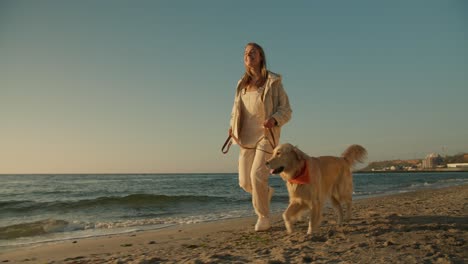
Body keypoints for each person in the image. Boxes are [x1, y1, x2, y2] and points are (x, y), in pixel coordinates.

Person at [228, 42, 292, 231]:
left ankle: (263, 217)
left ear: (261, 56)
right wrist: (231, 127)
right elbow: (235, 111)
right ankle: (266, 191)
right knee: (245, 182)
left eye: (253, 52)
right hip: (245, 138)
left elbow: (286, 110)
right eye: (246, 53)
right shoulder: (241, 84)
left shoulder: (273, 82)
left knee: (257, 175)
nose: (249, 55)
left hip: (266, 136)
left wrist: (274, 119)